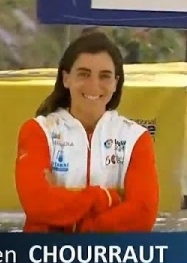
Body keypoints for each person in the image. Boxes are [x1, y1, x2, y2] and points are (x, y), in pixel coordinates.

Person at [14, 31, 159, 232]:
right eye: (83, 74)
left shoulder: (136, 138)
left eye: (105, 76)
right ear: (66, 78)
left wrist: (82, 228)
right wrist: (107, 198)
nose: (94, 85)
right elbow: (37, 204)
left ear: (116, 83)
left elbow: (143, 215)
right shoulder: (38, 131)